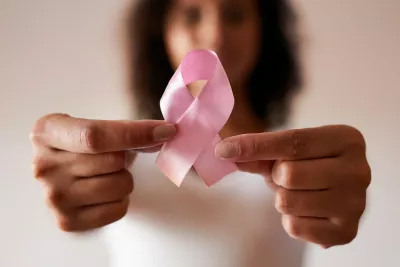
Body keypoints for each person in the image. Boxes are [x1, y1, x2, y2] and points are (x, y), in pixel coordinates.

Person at [30, 0, 371, 266]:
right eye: (192, 15)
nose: (215, 36)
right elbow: (80, 215)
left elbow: (338, 214)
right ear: (160, 32)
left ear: (263, 30)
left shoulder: (304, 168)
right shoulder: (117, 159)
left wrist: (341, 208)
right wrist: (68, 188)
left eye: (235, 14)